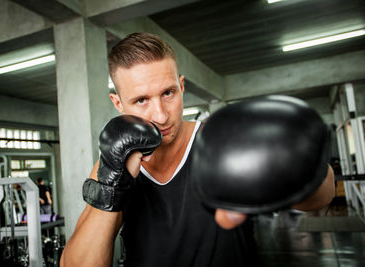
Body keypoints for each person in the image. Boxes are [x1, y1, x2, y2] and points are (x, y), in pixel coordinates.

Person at [60, 33, 335, 266]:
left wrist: (290, 163)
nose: (160, 115)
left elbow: (323, 196)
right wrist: (114, 184)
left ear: (181, 88)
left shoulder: (219, 140)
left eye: (168, 93)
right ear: (118, 104)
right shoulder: (113, 165)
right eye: (141, 100)